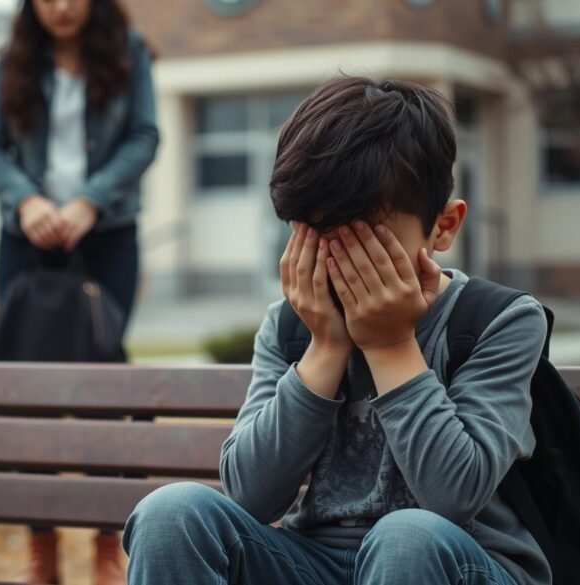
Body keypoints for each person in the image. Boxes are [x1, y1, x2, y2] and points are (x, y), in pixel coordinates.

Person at [122, 77, 552, 585]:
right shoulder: (290, 327)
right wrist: (325, 347)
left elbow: (453, 497)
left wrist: (391, 344)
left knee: (407, 536)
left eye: (367, 241)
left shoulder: (496, 321)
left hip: (458, 561)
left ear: (443, 226)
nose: (344, 264)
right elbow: (249, 495)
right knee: (172, 513)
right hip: (315, 561)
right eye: (320, 237)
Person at [0, 0, 158, 583]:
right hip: (25, 239)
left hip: (107, 238)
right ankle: (42, 549)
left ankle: (107, 543)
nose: (62, 7)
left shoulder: (130, 56)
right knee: (30, 394)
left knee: (105, 386)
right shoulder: (13, 61)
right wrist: (25, 200)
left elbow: (145, 136)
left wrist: (90, 200)